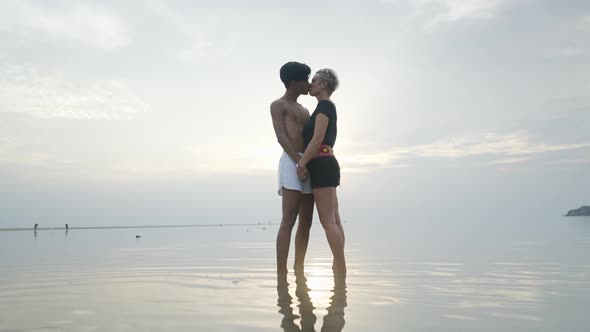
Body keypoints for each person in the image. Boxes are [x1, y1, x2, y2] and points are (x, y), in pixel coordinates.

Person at [297, 68, 346, 278]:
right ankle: (339, 267)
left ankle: (341, 267)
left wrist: (302, 163)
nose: (310, 84)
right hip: (327, 163)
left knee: (328, 221)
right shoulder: (324, 107)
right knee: (334, 220)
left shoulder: (324, 106)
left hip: (322, 164)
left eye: (314, 81)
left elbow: (317, 139)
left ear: (324, 85)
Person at [270, 61, 315, 282]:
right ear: (293, 82)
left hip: (306, 164)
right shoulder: (278, 105)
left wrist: (306, 163)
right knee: (289, 218)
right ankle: (281, 272)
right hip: (291, 162)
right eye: (306, 79)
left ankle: (299, 269)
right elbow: (281, 136)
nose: (309, 83)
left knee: (306, 220)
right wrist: (298, 162)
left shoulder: (305, 109)